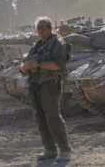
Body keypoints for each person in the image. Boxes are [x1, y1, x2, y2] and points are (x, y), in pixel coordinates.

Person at [20, 16, 71, 162]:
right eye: (39, 28)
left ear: (50, 28)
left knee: (52, 117)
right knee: (40, 118)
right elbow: (23, 66)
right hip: (35, 85)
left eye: (44, 27)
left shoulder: (57, 43)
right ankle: (50, 149)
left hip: (49, 84)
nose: (41, 30)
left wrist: (38, 64)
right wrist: (24, 67)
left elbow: (58, 65)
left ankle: (65, 150)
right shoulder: (36, 46)